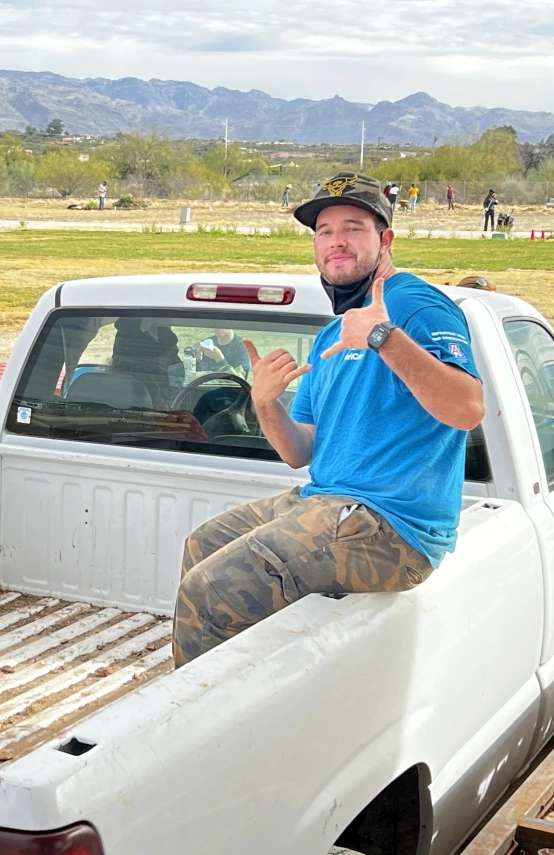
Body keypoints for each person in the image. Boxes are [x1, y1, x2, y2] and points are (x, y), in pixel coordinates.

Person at [172, 172, 484, 667]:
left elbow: (467, 408)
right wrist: (265, 401)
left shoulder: (414, 304)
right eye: (324, 231)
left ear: (385, 239)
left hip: (392, 528)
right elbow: (300, 452)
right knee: (203, 545)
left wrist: (385, 337)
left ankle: (205, 729)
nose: (336, 241)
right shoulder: (334, 333)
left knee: (210, 591)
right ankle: (257, 680)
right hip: (329, 502)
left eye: (353, 228)